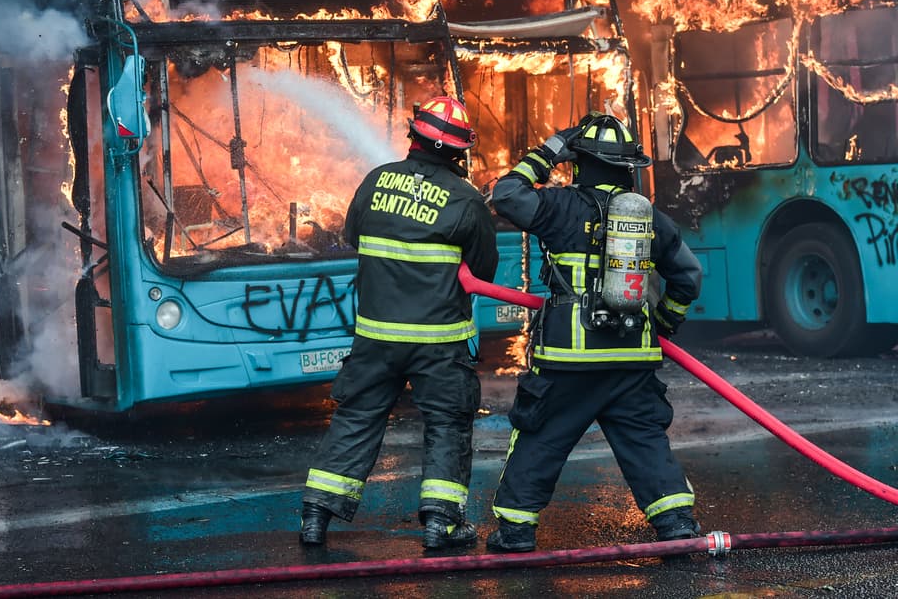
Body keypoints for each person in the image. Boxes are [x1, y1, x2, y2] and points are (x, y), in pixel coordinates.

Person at [485, 112, 703, 553]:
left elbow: (505, 194)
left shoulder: (557, 206)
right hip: (631, 359)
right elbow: (689, 278)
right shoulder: (650, 220)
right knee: (645, 441)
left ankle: (515, 531)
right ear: (628, 168)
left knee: (540, 438)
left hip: (569, 359)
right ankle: (677, 523)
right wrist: (663, 324)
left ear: (578, 162)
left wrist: (551, 149)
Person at [300, 95, 499, 551]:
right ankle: (440, 524)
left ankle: (315, 515)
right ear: (460, 151)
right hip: (440, 343)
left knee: (356, 417)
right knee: (447, 424)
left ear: (414, 136)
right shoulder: (467, 200)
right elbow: (483, 271)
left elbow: (353, 237)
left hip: (375, 338)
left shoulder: (375, 182)